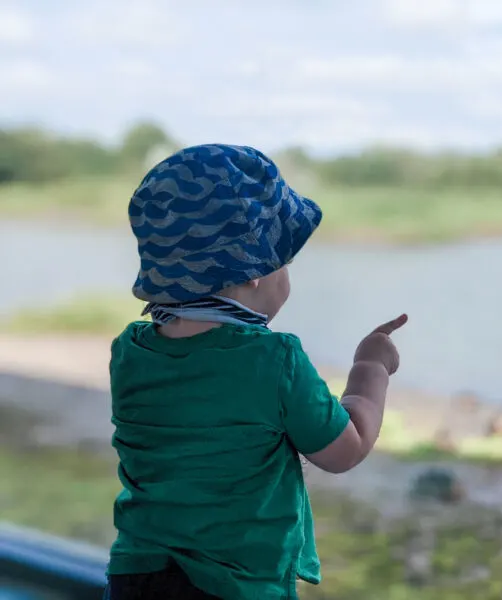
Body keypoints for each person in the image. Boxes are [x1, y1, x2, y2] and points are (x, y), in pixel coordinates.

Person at [103, 144, 407, 600]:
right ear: (254, 273)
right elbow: (345, 450)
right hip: (239, 586)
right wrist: (371, 367)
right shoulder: (273, 359)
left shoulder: (129, 352)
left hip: (137, 577)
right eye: (285, 260)